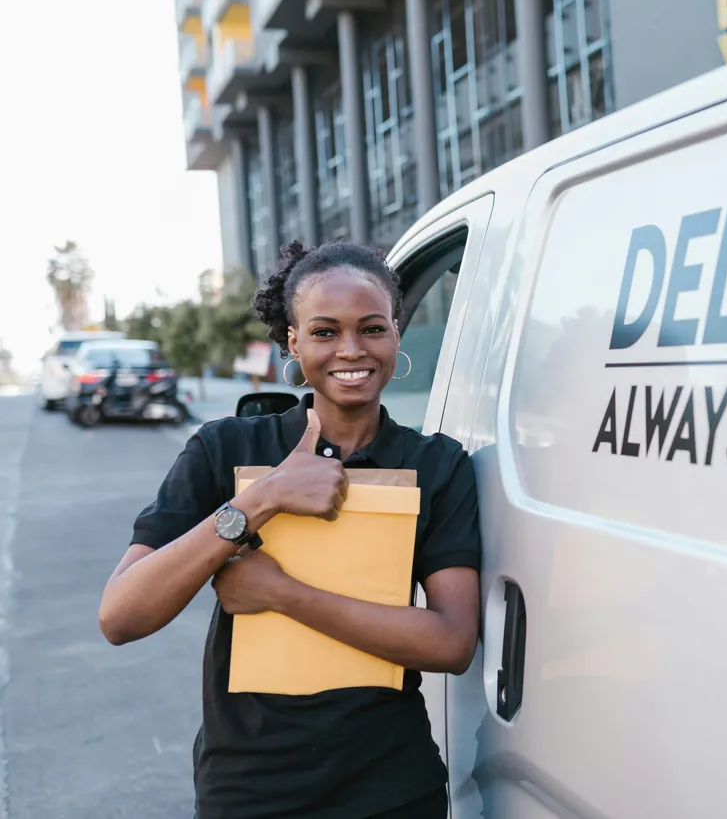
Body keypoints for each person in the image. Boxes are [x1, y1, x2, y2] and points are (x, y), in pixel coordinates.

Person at [98, 240, 481, 819]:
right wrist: (261, 500)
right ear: (291, 342)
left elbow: (451, 642)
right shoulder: (225, 448)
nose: (351, 350)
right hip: (250, 789)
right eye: (325, 332)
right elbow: (121, 616)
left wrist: (283, 593)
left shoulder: (438, 465)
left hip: (392, 787)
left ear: (396, 333)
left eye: (372, 328)